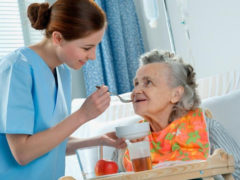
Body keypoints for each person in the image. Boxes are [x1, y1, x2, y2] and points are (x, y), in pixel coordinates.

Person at [0, 0, 126, 179]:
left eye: (96, 46)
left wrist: (98, 141)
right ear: (58, 38)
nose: (93, 56)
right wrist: (82, 114)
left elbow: (51, 144)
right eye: (87, 48)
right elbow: (23, 153)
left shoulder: (62, 72)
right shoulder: (17, 69)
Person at [118, 49, 240, 179]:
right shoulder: (130, 139)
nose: (136, 90)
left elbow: (237, 171)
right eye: (136, 83)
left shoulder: (207, 128)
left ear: (176, 94)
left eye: (148, 82)